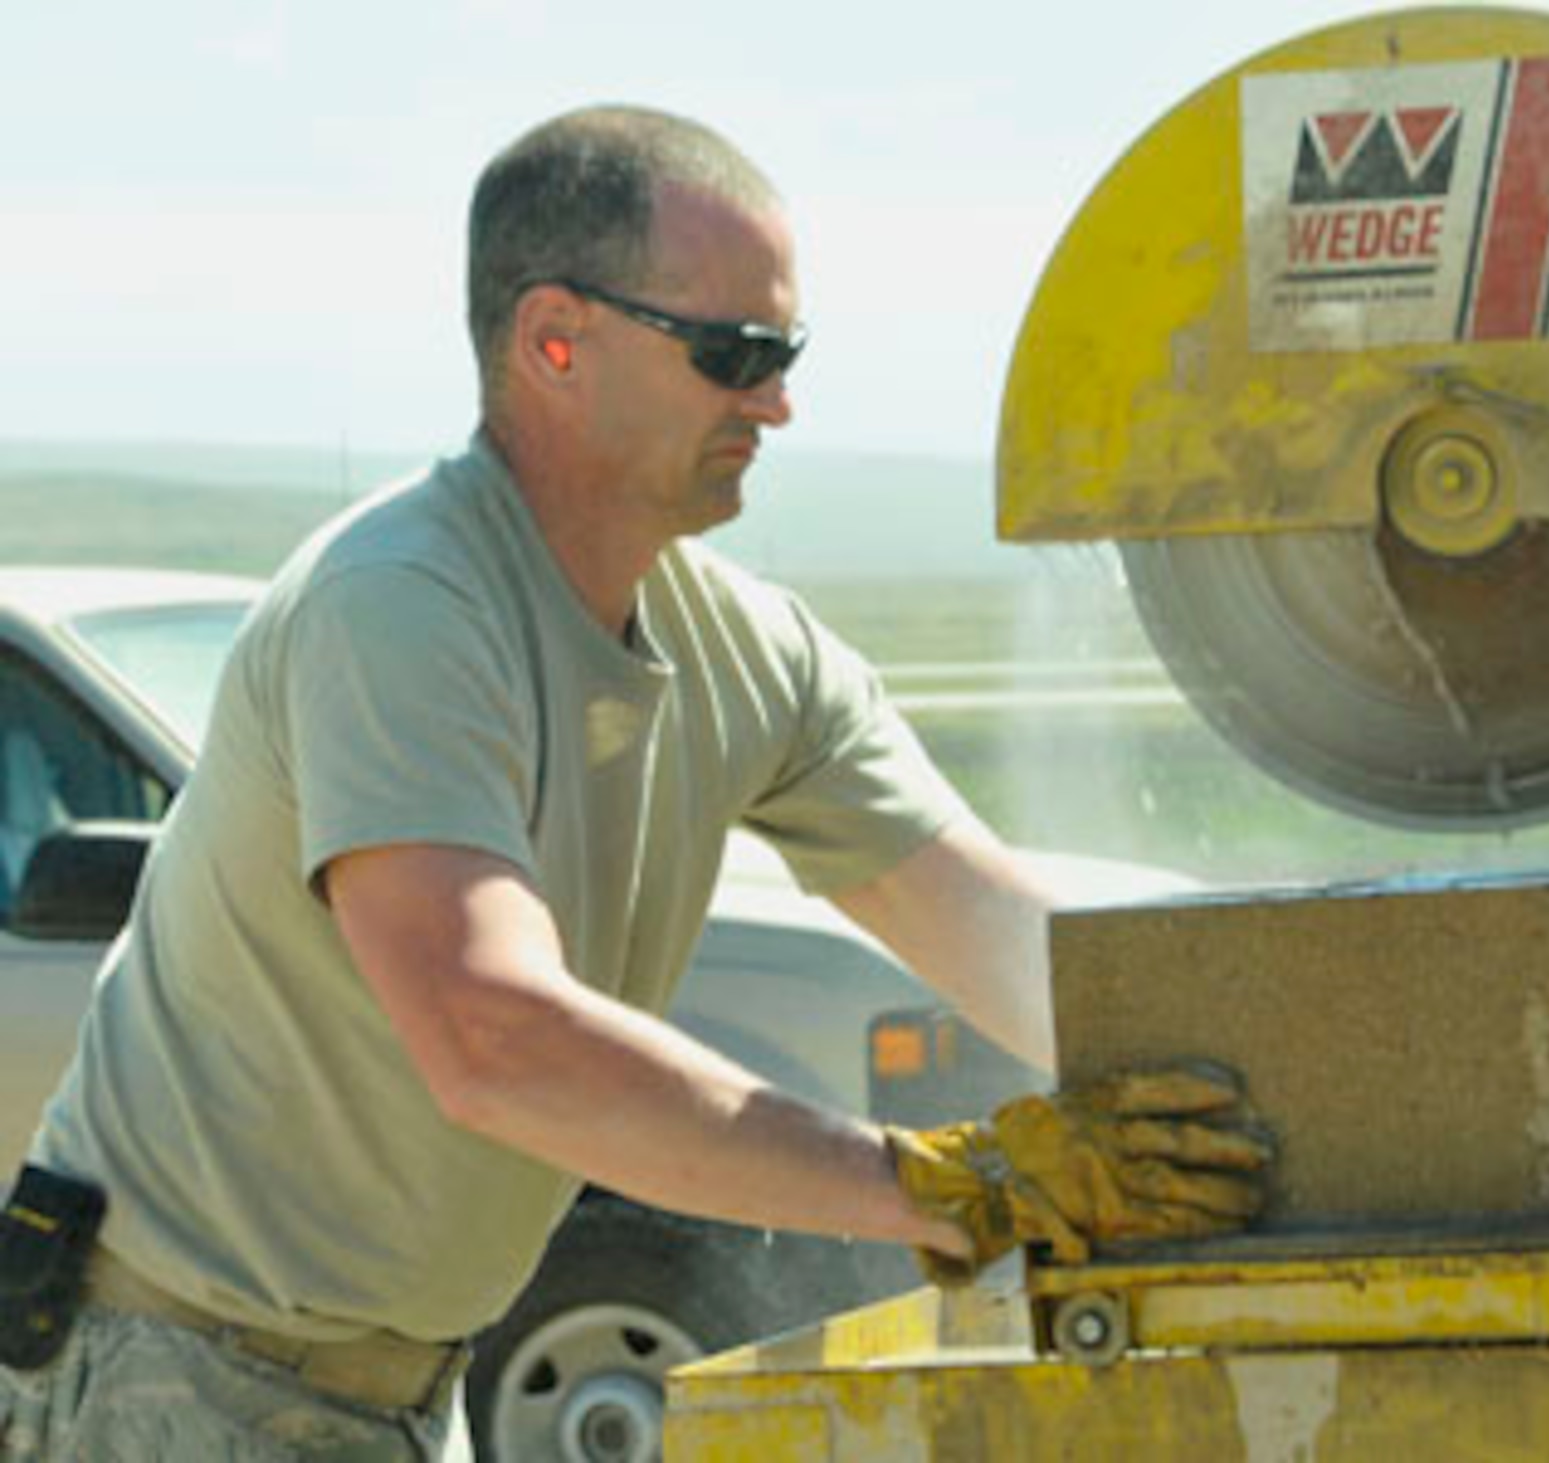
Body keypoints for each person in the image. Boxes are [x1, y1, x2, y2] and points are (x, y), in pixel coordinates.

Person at [0, 105, 1269, 1460]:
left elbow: (998, 932)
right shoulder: (400, 605)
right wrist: (942, 1186)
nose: (777, 401)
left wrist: (1259, 1084)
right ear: (557, 338)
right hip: (176, 1373)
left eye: (787, 355)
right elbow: (493, 1034)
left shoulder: (751, 653)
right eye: (737, 355)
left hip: (383, 1382)